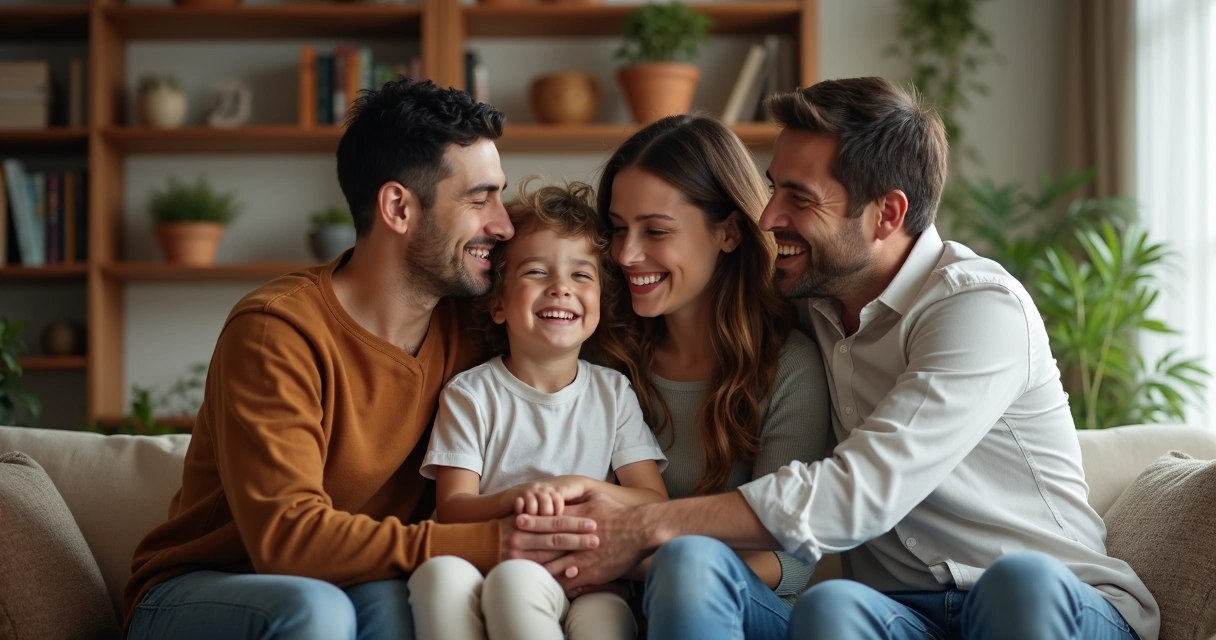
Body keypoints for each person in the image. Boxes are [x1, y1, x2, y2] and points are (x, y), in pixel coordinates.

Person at [534, 77, 1160, 640]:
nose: (768, 215)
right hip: (906, 613)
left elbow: (860, 491)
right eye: (773, 188)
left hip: (1058, 603)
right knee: (832, 609)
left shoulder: (979, 309)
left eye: (798, 199)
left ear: (888, 214)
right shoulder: (812, 306)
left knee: (1018, 584)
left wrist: (642, 526)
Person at [122, 78, 599, 640]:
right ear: (398, 207)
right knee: (315, 610)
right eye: (479, 199)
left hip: (359, 580)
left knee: (405, 605)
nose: (503, 224)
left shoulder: (474, 324)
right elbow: (287, 542)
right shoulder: (278, 330)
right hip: (206, 588)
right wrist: (490, 543)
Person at [593, 114, 832, 639]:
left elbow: (785, 559)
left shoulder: (789, 367)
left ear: (728, 232)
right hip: (606, 608)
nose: (626, 254)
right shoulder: (603, 359)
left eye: (655, 231)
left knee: (690, 571)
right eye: (617, 228)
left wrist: (634, 557)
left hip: (746, 614)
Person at [407, 180, 668, 640]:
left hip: (592, 581)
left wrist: (578, 488)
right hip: (494, 563)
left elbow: (654, 501)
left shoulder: (613, 393)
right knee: (436, 577)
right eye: (536, 273)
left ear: (600, 306)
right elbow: (452, 509)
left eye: (581, 275)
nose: (561, 289)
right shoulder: (471, 394)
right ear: (499, 304)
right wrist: (521, 497)